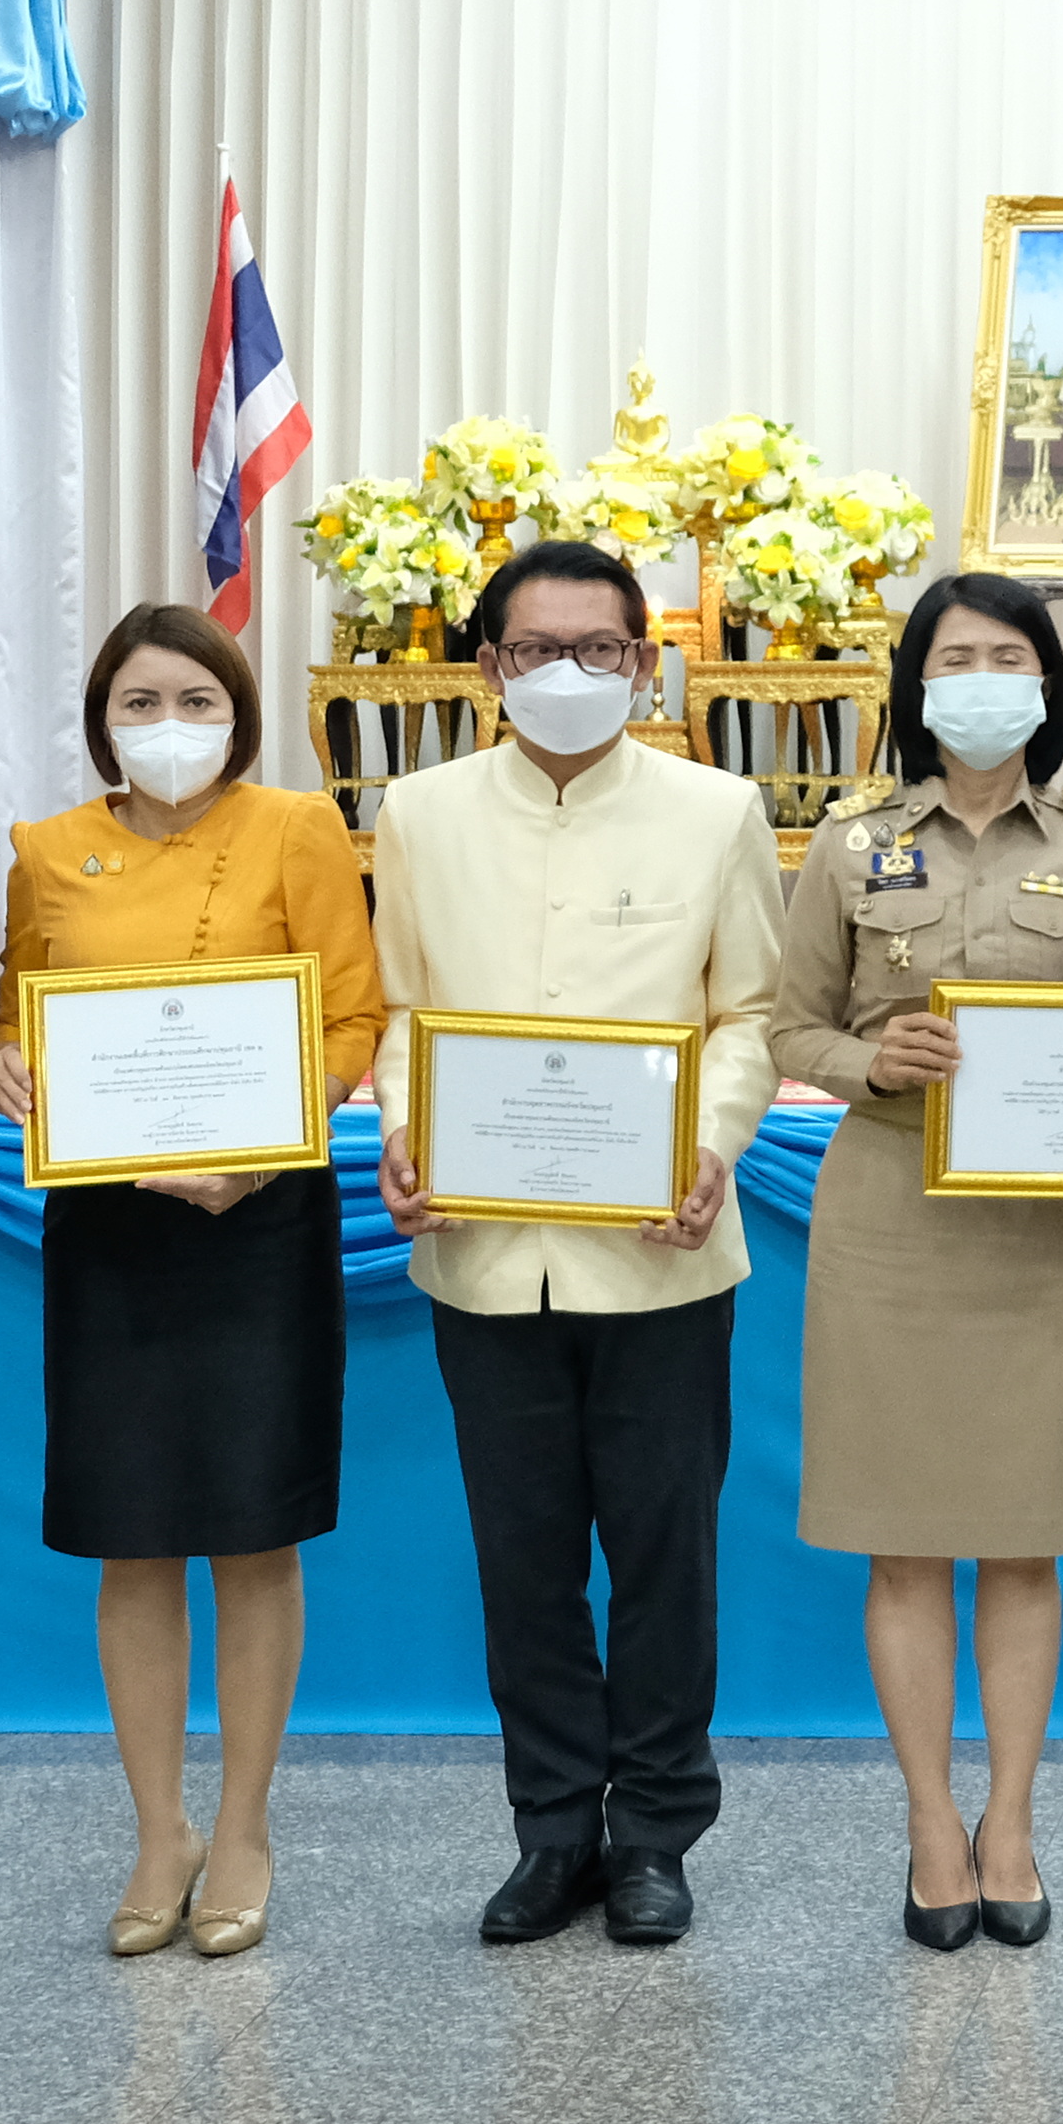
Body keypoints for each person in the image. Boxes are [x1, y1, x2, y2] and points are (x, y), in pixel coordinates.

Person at [370, 538, 786, 1950]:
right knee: (524, 1556)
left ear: (644, 662)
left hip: (664, 1253)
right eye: (535, 651)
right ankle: (553, 1828)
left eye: (596, 651)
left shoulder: (718, 810)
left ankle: (658, 1829)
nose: (565, 674)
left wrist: (715, 1141)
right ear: (487, 668)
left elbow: (751, 1013)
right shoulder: (417, 815)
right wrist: (405, 1131)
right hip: (486, 1254)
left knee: (666, 1552)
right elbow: (407, 1011)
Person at [0, 603, 380, 1963]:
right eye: (139, 703)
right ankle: (161, 1829)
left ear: (240, 714)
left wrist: (264, 1153)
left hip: (260, 1218)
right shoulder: (46, 850)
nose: (168, 726)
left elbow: (352, 1019)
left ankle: (246, 1822)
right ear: (99, 722)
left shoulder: (297, 830)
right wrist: (5, 1066)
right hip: (110, 1226)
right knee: (131, 1533)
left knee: (255, 1530)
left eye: (195, 700)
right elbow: (17, 1018)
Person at [764, 572, 1063, 1953]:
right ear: (918, 688)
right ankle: (932, 1819)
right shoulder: (848, 844)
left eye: (1008, 657)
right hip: (890, 1222)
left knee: (1026, 1538)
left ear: (1046, 686)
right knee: (907, 1540)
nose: (982, 679)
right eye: (955, 658)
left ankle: (1015, 1818)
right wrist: (873, 1058)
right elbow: (786, 1026)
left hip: (1040, 1234)